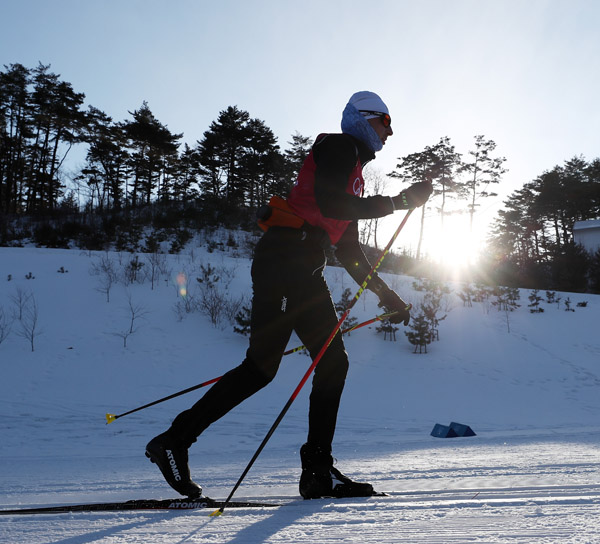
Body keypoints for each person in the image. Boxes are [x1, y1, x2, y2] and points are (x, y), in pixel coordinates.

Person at [145, 91, 432, 500]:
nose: (390, 131)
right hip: (285, 258)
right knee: (261, 369)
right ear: (362, 119)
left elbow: (349, 251)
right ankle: (175, 441)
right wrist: (399, 202)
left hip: (305, 264)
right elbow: (330, 201)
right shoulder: (339, 145)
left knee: (332, 361)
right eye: (385, 121)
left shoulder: (354, 172)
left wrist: (387, 295)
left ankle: (317, 471)